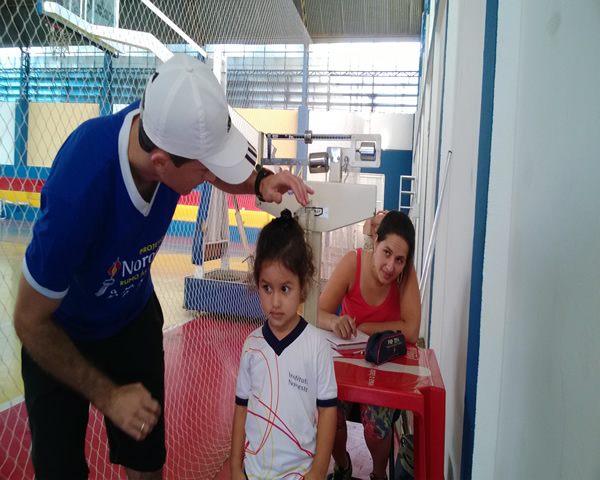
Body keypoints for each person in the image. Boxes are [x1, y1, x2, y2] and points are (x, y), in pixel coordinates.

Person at [12, 54, 313, 480]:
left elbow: (215, 170)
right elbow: (28, 321)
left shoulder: (168, 127)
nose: (211, 177)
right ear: (161, 164)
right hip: (60, 333)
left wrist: (260, 181)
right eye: (204, 169)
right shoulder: (79, 192)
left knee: (148, 462)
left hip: (130, 316)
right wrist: (108, 396)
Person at [230, 209, 337, 480]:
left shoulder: (317, 346)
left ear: (303, 285)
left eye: (285, 289)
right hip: (254, 473)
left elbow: (327, 411)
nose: (275, 302)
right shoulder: (252, 345)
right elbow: (241, 407)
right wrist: (235, 468)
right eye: (267, 288)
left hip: (299, 474)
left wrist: (318, 471)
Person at [318, 210, 421, 480]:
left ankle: (379, 475)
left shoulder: (404, 275)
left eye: (399, 260)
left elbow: (411, 331)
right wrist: (335, 321)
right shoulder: (353, 263)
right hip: (347, 367)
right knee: (329, 414)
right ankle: (343, 467)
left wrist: (366, 329)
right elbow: (317, 314)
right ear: (375, 241)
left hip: (383, 369)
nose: (390, 267)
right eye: (386, 253)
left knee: (376, 424)